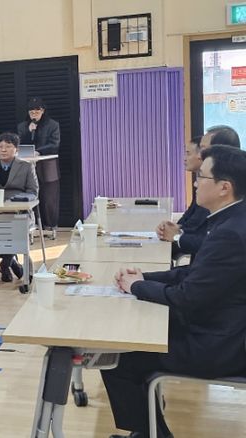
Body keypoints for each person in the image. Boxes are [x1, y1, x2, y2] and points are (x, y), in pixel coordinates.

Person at [104, 145, 246, 438]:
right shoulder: (230, 220)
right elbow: (194, 274)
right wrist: (143, 278)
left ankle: (152, 434)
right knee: (133, 334)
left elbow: (187, 297)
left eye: (201, 177)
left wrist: (137, 286)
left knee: (116, 357)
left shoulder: (230, 233)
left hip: (217, 345)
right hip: (220, 327)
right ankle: (149, 431)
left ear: (224, 187)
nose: (195, 183)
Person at [156, 126, 241, 257]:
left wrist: (177, 236)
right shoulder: (209, 186)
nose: (199, 155)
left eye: (202, 149)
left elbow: (209, 241)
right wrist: (176, 229)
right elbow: (190, 222)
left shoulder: (221, 195)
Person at [0, 132, 38, 282]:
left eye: (8, 146)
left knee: (13, 229)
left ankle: (5, 264)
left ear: (16, 149)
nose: (3, 149)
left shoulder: (26, 167)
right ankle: (11, 263)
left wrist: (13, 203)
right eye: (0, 146)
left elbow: (33, 192)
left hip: (19, 211)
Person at [17, 97, 60, 235]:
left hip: (47, 165)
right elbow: (18, 145)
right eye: (31, 112)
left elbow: (54, 144)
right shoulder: (23, 126)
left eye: (37, 111)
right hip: (28, 166)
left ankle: (50, 227)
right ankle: (32, 226)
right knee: (30, 196)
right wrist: (28, 132)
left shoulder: (53, 125)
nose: (34, 114)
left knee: (49, 197)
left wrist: (39, 151)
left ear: (43, 111)